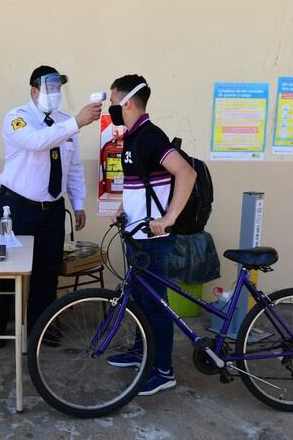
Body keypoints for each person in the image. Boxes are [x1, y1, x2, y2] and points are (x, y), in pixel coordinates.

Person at [0, 65, 102, 348]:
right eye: (49, 88)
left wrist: (77, 204)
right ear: (34, 91)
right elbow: (36, 142)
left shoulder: (65, 123)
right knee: (6, 268)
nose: (55, 93)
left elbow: (72, 168)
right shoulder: (17, 118)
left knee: (46, 272)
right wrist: (77, 122)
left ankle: (41, 328)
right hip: (16, 207)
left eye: (58, 88)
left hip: (51, 210)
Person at [106, 74, 197, 395]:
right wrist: (121, 207)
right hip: (136, 234)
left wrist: (169, 218)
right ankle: (141, 350)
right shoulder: (131, 137)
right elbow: (139, 183)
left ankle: (163, 370)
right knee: (140, 298)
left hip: (155, 239)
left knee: (155, 304)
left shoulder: (149, 136)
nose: (111, 107)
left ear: (127, 102)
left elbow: (186, 172)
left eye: (113, 102)